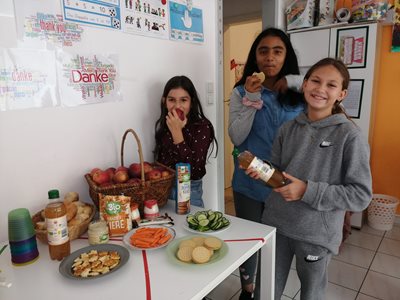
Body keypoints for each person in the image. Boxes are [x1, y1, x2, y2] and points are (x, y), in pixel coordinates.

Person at [252, 58, 372, 299]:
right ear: (305, 85)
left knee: (311, 293)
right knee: (266, 291)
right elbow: (278, 172)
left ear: (342, 94)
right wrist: (263, 173)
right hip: (277, 224)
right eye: (315, 81)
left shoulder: (350, 135)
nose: (320, 89)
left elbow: (360, 196)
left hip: (316, 235)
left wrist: (306, 190)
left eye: (331, 85)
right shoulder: (287, 129)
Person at [228, 27, 304, 300]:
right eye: (263, 51)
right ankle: (247, 289)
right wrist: (252, 98)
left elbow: (313, 124)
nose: (269, 58)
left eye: (277, 51)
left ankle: (264, 293)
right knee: (250, 241)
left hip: (284, 184)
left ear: (287, 56)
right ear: (255, 57)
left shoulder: (299, 90)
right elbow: (236, 136)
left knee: (278, 247)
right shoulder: (240, 92)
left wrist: (296, 83)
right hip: (249, 181)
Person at [154, 75, 218, 208]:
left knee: (188, 226)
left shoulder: (202, 126)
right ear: (164, 101)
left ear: (191, 102)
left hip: (189, 190)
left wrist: (177, 132)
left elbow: (193, 171)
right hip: (163, 190)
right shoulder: (165, 124)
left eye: (183, 100)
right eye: (172, 100)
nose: (177, 106)